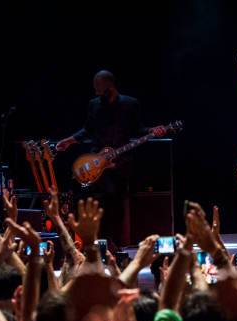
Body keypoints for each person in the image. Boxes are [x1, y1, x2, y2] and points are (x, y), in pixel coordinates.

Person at [55, 70, 166, 247]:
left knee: (115, 206)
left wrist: (153, 130)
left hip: (120, 164)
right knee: (90, 202)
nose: (97, 93)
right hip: (96, 163)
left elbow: (138, 130)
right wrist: (71, 140)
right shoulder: (93, 105)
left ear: (110, 86)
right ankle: (92, 243)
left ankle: (114, 245)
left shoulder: (130, 104)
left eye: (100, 89)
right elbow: (87, 130)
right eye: (95, 89)